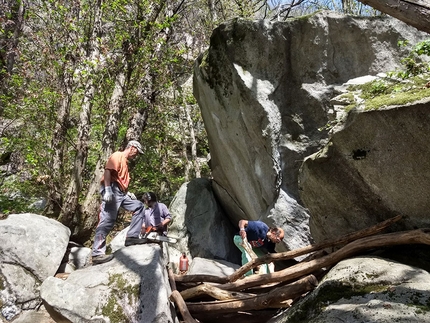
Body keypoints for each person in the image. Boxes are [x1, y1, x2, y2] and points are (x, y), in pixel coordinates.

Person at [91, 140, 147, 265]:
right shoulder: (117, 156)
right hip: (112, 189)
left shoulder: (125, 163)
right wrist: (107, 189)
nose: (136, 155)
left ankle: (132, 237)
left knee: (139, 206)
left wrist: (127, 193)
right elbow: (107, 171)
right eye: (137, 152)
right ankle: (97, 253)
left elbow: (120, 180)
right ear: (132, 148)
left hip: (121, 192)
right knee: (107, 220)